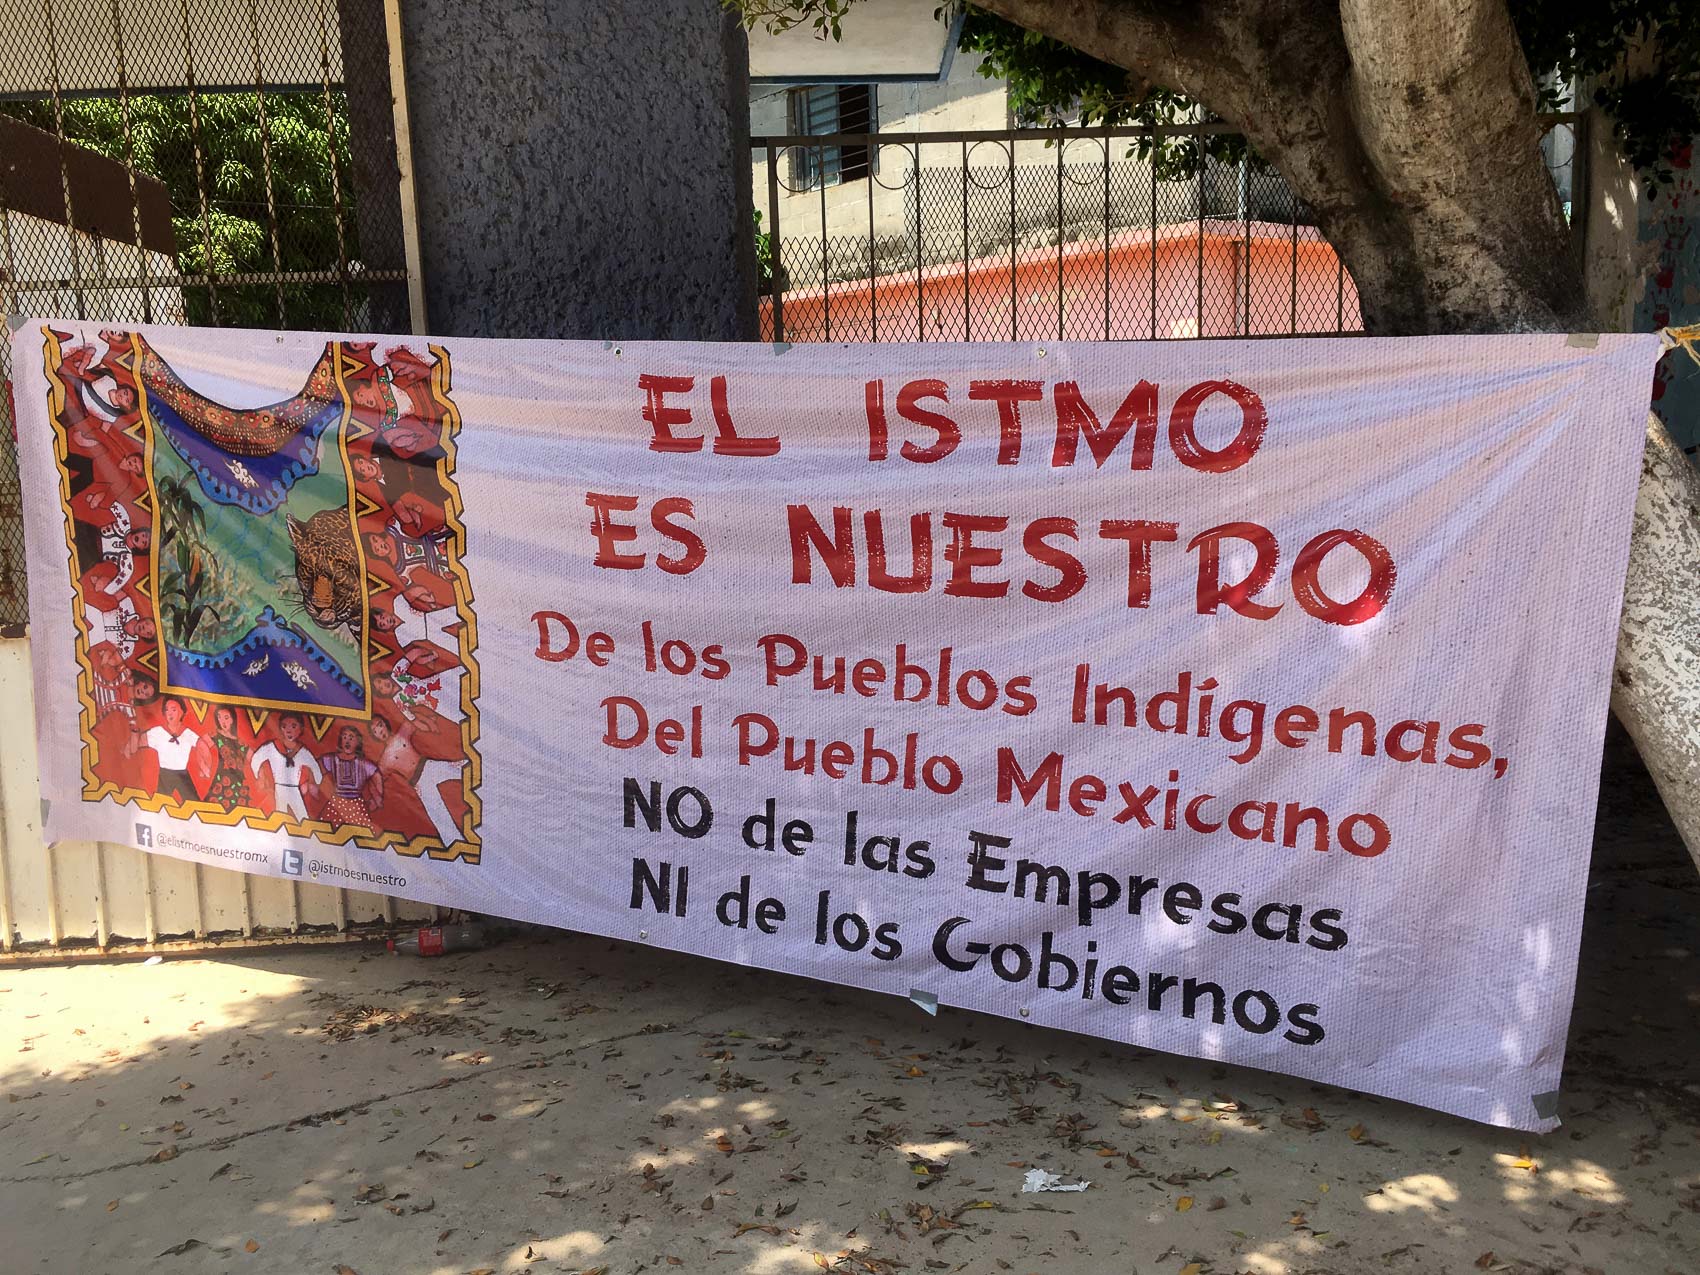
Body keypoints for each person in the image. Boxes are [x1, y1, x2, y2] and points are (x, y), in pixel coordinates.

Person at [248, 712, 323, 820]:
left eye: (293, 726)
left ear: (301, 729)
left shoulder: (302, 751)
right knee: (280, 816)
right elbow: (256, 758)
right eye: (284, 726)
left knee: (303, 818)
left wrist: (317, 780)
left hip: (294, 790)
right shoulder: (272, 747)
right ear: (280, 728)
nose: (288, 730)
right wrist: (259, 775)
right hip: (279, 788)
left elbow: (314, 766)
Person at [318, 725, 382, 830]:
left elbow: (376, 774)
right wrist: (323, 775)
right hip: (337, 804)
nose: (347, 741)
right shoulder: (333, 759)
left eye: (351, 738)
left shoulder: (362, 763)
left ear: (358, 742)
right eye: (344, 737)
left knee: (359, 837)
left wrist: (377, 797)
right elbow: (319, 762)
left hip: (356, 806)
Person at [144, 697, 203, 804]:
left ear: (182, 712)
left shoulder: (187, 733)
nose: (170, 713)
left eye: (174, 710)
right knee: (160, 805)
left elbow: (201, 745)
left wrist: (204, 766)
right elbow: (139, 741)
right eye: (167, 710)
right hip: (165, 774)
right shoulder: (158, 731)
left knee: (194, 804)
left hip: (182, 774)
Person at [203, 705, 250, 812]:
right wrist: (205, 765)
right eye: (219, 717)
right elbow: (201, 743)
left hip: (238, 785)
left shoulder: (240, 742)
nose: (222, 721)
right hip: (220, 783)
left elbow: (254, 758)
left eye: (226, 718)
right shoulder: (215, 735)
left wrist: (261, 775)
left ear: (233, 719)